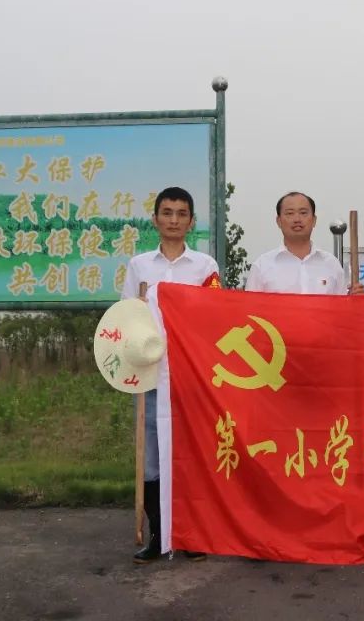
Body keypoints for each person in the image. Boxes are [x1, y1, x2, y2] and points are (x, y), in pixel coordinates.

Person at [121, 186, 219, 564]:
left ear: (191, 221)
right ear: (155, 219)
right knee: (151, 457)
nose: (174, 220)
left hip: (190, 374)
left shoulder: (205, 266)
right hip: (151, 374)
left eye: (181, 214)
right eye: (167, 213)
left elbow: (215, 316)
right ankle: (158, 535)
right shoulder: (139, 266)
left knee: (191, 452)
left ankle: (191, 534)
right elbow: (126, 317)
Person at [245, 191, 364, 294]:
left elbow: (341, 309)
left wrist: (354, 302)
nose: (297, 219)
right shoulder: (262, 266)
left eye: (303, 213)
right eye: (290, 213)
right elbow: (250, 310)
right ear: (279, 221)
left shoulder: (331, 264)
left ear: (314, 220)